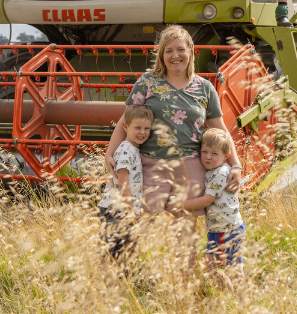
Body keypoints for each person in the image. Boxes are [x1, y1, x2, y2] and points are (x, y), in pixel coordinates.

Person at [104, 25, 243, 262]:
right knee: (135, 226)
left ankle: (182, 280)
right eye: (168, 51)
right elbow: (125, 121)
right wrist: (110, 153)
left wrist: (236, 165)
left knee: (184, 238)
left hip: (190, 168)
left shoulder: (204, 88)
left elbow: (220, 129)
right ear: (161, 55)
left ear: (191, 51)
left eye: (180, 49)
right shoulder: (148, 82)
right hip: (150, 165)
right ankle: (123, 274)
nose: (175, 55)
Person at [167, 128, 246, 291]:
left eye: (214, 153)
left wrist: (179, 205)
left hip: (227, 229)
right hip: (217, 229)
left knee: (232, 268)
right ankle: (231, 295)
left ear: (226, 156)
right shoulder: (212, 170)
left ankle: (241, 298)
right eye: (205, 152)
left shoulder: (221, 172)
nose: (208, 157)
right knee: (211, 266)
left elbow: (206, 200)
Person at [97, 104, 153, 259]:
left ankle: (117, 274)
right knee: (111, 253)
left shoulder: (132, 149)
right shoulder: (127, 149)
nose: (142, 132)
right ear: (125, 127)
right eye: (137, 128)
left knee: (119, 252)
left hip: (119, 209)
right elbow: (123, 180)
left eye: (146, 128)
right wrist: (130, 210)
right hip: (117, 210)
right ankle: (107, 274)